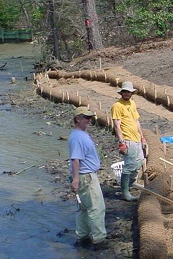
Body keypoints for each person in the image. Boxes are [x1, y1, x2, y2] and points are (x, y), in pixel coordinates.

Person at [68, 106, 109, 251]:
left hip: (85, 176)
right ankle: (99, 240)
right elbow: (75, 160)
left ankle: (83, 238)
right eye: (86, 117)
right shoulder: (78, 137)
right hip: (86, 177)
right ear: (78, 119)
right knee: (97, 207)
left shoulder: (80, 134)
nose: (89, 120)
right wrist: (76, 179)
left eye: (90, 118)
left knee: (83, 208)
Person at [111, 81, 147, 201]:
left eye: (129, 92)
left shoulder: (132, 104)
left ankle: (130, 185)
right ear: (121, 92)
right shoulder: (117, 106)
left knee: (139, 162)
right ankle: (125, 193)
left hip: (136, 138)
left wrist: (142, 137)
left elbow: (136, 121)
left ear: (132, 93)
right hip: (127, 139)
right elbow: (117, 125)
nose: (127, 94)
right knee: (129, 166)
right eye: (125, 92)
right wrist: (121, 142)